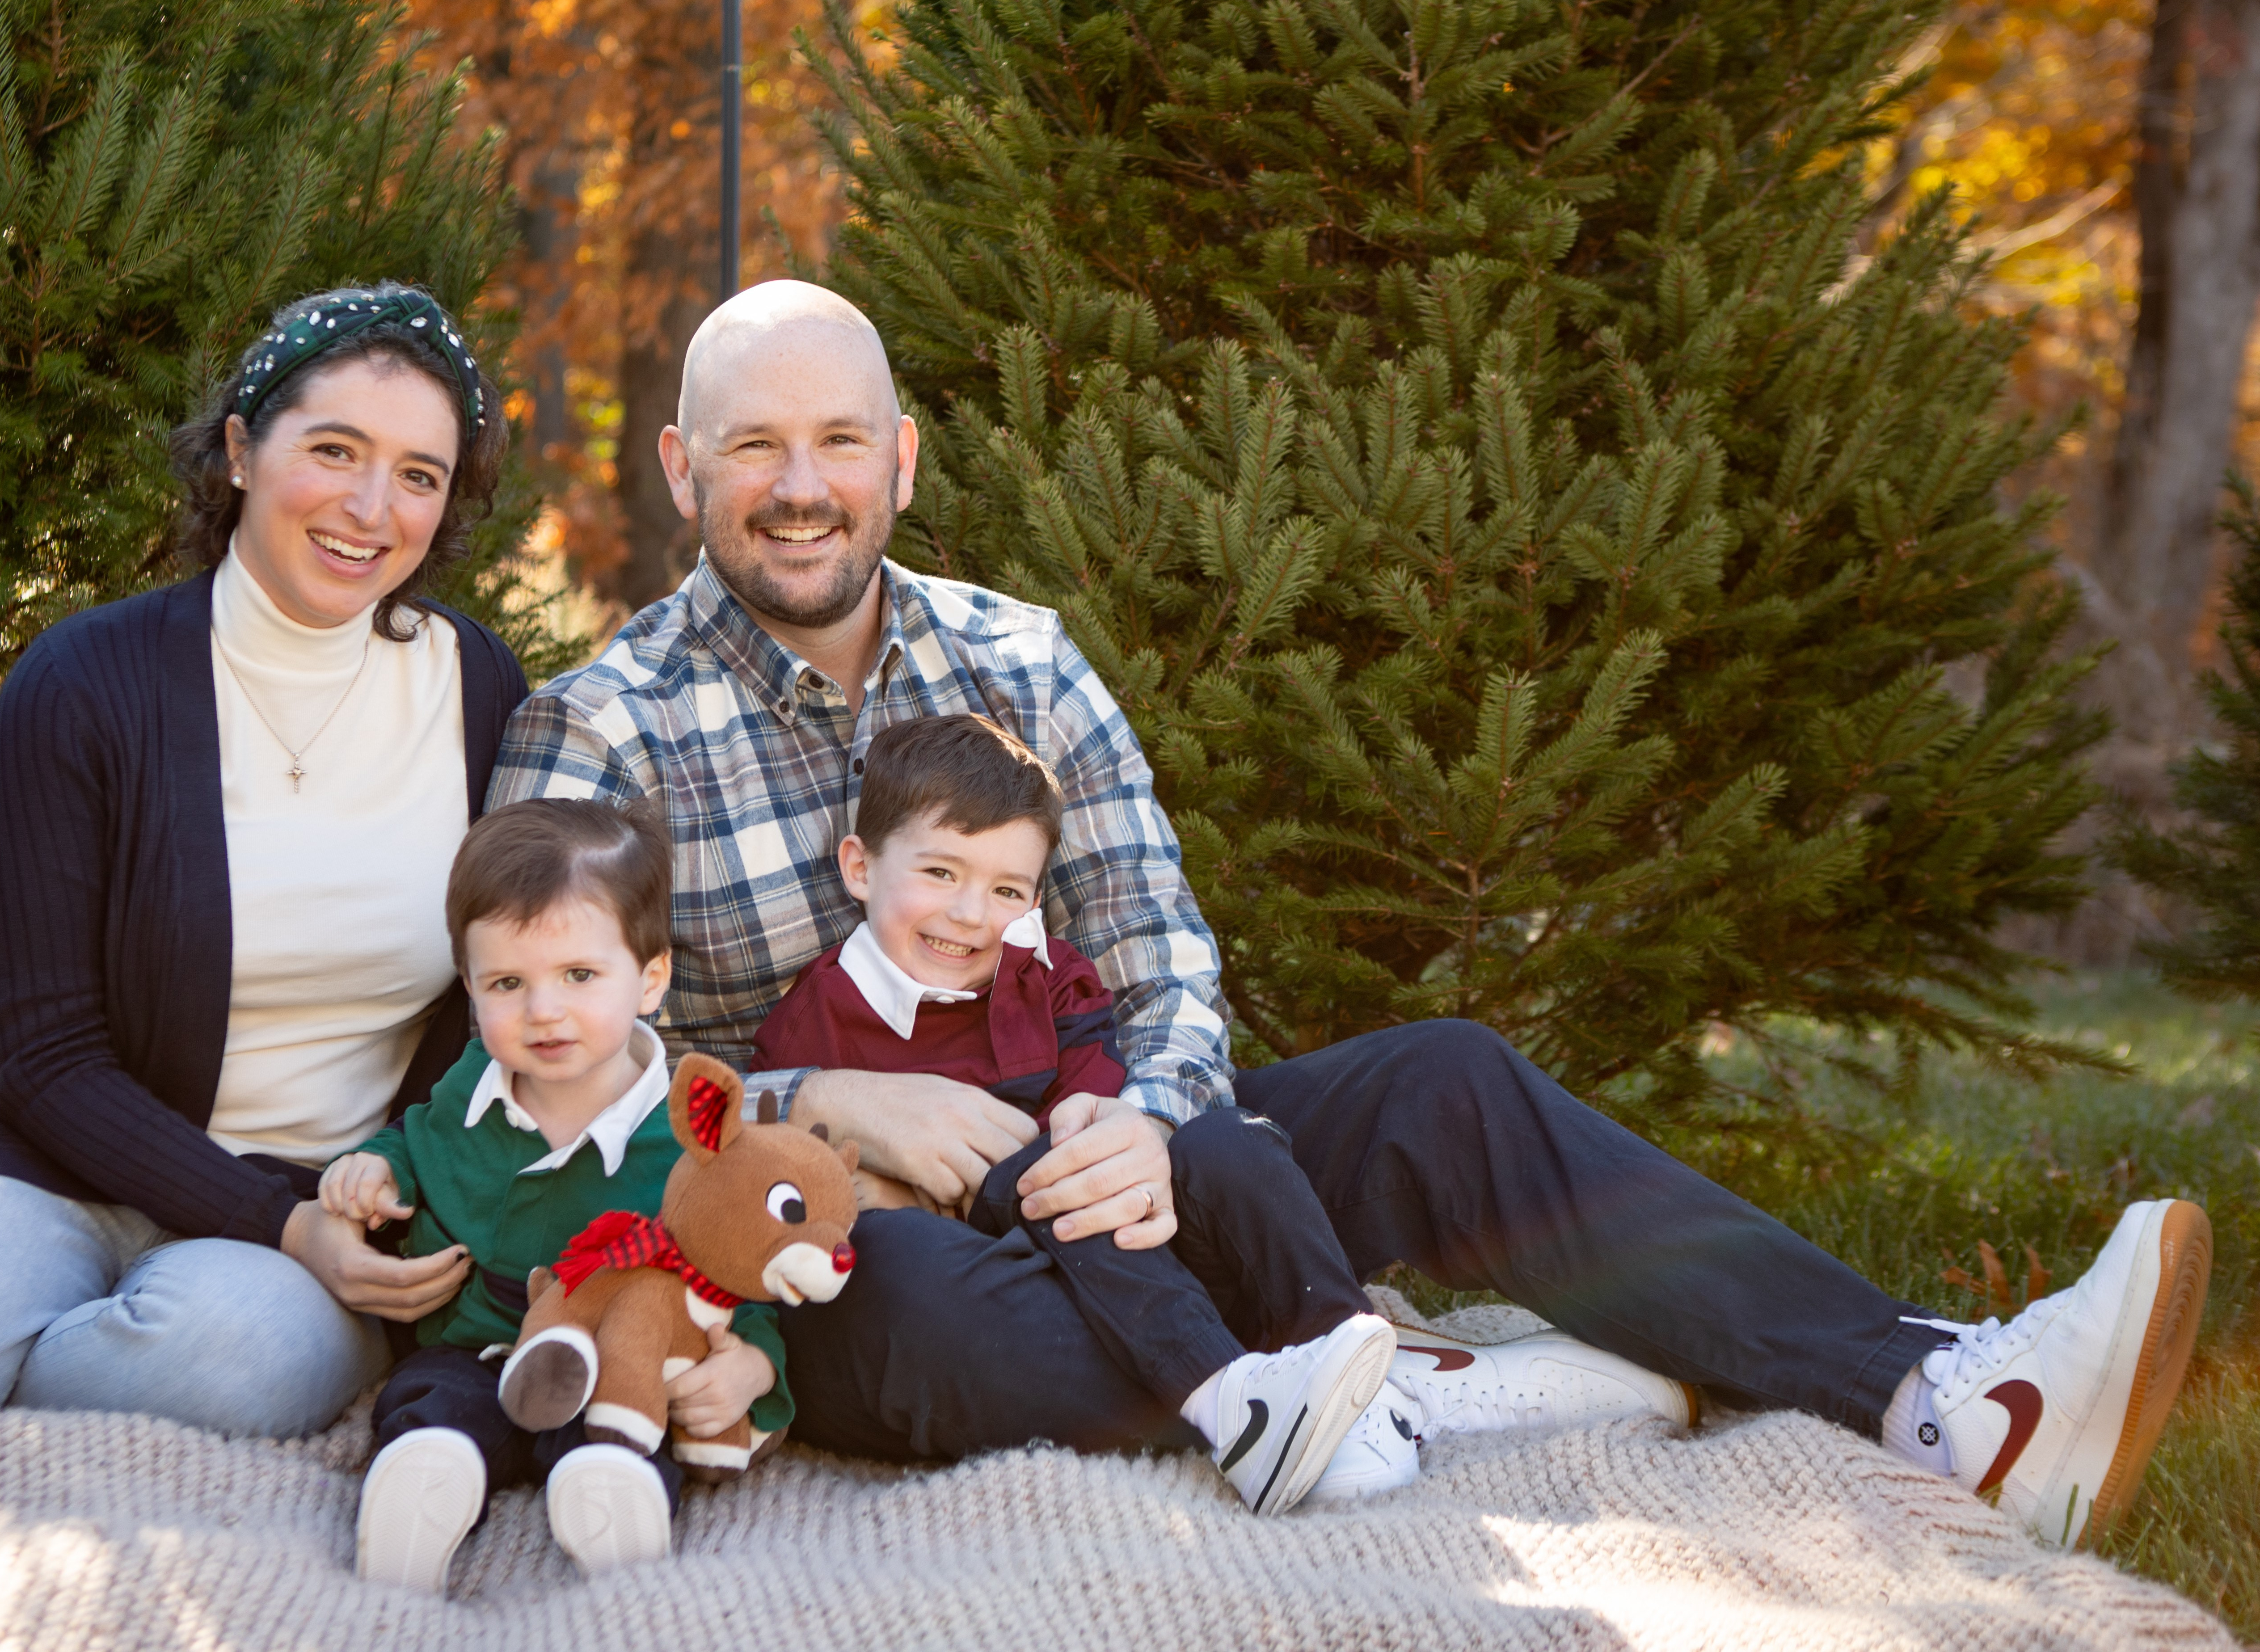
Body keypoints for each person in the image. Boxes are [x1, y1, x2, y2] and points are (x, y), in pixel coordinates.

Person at [489, 278, 2212, 1551]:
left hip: (1112, 1163)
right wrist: (815, 1102)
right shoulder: (597, 726)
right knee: (938, 1324)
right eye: (757, 446)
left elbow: (1160, 954)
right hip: (862, 1228)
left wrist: (1143, 1123)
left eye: (840, 440)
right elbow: (553, 1069)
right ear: (680, 465)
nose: (803, 484)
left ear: (904, 457)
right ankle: (1367, 1376)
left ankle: (1948, 1395)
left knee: (1445, 1078)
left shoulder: (1018, 655)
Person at [0, 283, 529, 1458]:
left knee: (245, 1367)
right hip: (51, 1173)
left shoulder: (477, 694)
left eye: (420, 475)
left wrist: (329, 1216)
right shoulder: (84, 683)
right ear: (238, 450)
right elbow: (41, 1057)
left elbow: (512, 988)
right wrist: (266, 1221)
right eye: (335, 450)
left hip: (311, 1214)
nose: (372, 508)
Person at [753, 711, 1432, 1513]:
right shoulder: (814, 1023)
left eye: (1007, 890)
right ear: (860, 867)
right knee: (1045, 1180)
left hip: (1107, 1225)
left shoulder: (1047, 980)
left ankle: (1353, 1370)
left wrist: (1105, 1131)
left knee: (1225, 1142)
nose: (971, 914)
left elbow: (1095, 1098)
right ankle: (1229, 1399)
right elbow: (784, 1169)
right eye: (940, 874)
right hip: (990, 1275)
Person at [322, 798, 794, 1592]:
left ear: (650, 980)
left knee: (633, 1432)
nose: (542, 1011)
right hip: (471, 1343)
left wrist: (751, 1368)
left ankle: (613, 1501)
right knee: (428, 1402)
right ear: (469, 985)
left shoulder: (691, 1137)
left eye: (579, 975)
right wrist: (374, 1169)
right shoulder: (471, 1084)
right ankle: (427, 1482)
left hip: (621, 1364)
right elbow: (416, 1140)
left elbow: (740, 1269)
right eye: (507, 982)